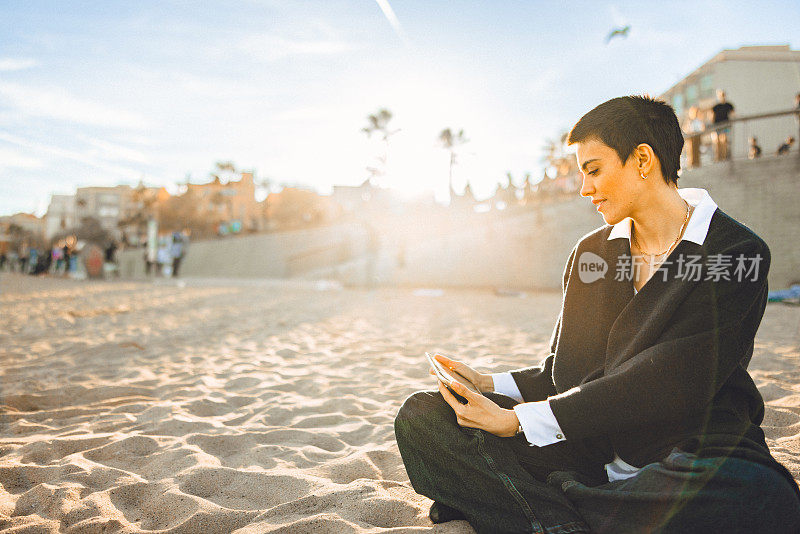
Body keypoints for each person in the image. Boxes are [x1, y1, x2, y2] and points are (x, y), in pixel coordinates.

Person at [395, 95, 800, 534]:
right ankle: (571, 511)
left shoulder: (736, 252)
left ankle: (539, 512)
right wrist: (489, 384)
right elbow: (569, 371)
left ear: (642, 159)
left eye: (593, 170)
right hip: (589, 450)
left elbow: (673, 381)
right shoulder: (593, 253)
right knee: (424, 417)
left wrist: (516, 421)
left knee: (757, 494)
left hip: (691, 451)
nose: (585, 189)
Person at [711, 89, 735, 161]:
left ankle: (724, 157)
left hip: (725, 126)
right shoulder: (716, 107)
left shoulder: (728, 105)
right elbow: (712, 117)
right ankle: (719, 158)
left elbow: (733, 114)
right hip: (717, 127)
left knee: (724, 140)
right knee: (718, 143)